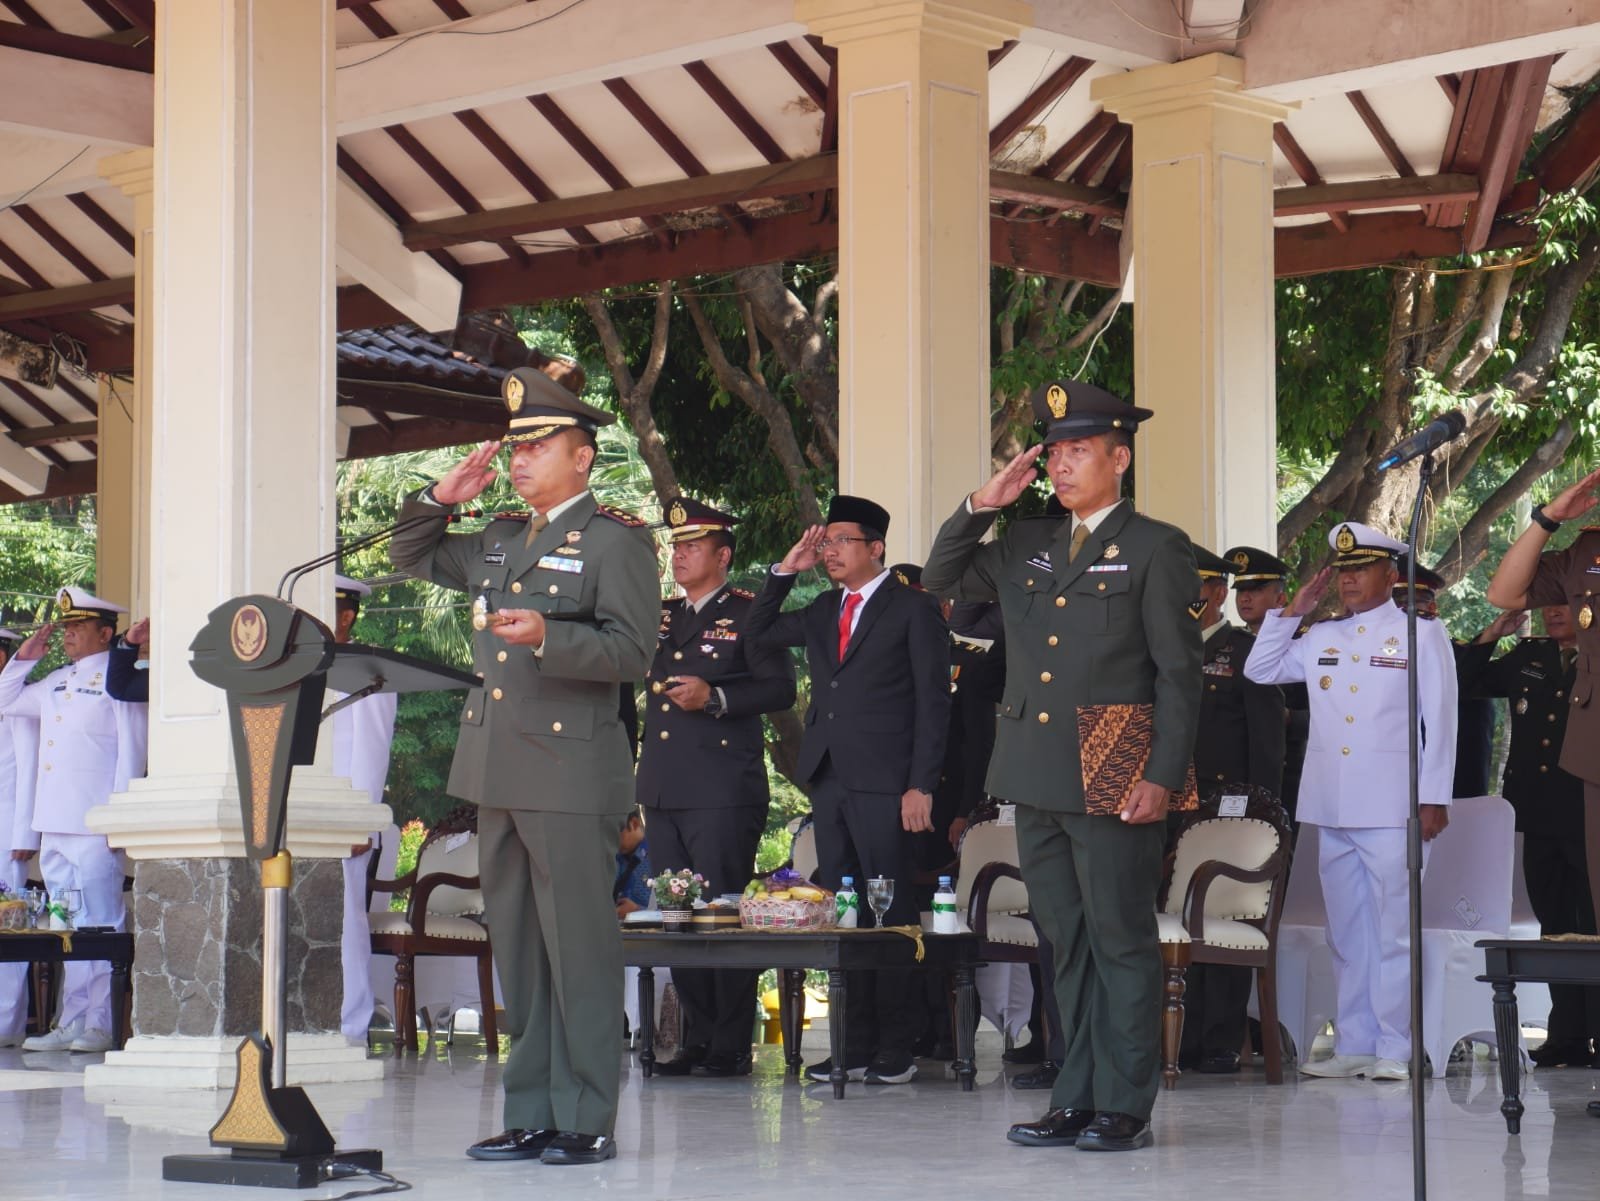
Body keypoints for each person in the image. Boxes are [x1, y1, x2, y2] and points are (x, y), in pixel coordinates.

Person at [923, 379, 1202, 1153]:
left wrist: (1161, 772)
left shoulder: (1157, 546)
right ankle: (1075, 1094)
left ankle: (1125, 1101)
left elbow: (1178, 674)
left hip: (1117, 761)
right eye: (1054, 453)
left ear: (1121, 456)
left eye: (1079, 450)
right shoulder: (1025, 542)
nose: (1062, 465)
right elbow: (939, 576)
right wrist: (986, 500)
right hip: (1035, 767)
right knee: (1064, 941)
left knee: (1119, 936)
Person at [389, 367, 658, 1166]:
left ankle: (586, 1116)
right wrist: (443, 494)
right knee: (518, 947)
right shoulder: (502, 536)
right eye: (513, 449)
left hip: (572, 773)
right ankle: (532, 1108)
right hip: (498, 769)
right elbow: (414, 555)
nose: (519, 460)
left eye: (537, 446)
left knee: (578, 946)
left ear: (582, 457)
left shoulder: (618, 541)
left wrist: (549, 635)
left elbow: (634, 651)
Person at [745, 494, 950, 1086]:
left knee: (890, 915)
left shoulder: (913, 609)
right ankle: (852, 1043)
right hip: (831, 779)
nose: (830, 551)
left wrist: (921, 786)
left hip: (889, 785)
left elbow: (934, 706)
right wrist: (786, 569)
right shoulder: (821, 609)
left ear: (876, 547)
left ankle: (897, 1045)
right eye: (826, 543)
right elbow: (757, 633)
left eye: (841, 541)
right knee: (845, 912)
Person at [1244, 522, 1456, 1082]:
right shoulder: (1321, 637)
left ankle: (1395, 1047)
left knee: (1393, 930)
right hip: (1331, 805)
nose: (1349, 580)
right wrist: (1292, 612)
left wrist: (1433, 797)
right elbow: (1260, 669)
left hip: (1393, 808)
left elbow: (1442, 722)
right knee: (1347, 931)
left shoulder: (1421, 634)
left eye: (1361, 569)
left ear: (1391, 574)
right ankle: (1356, 1041)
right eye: (1342, 571)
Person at [637, 497, 795, 1078]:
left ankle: (730, 1042)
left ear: (723, 555)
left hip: (723, 786)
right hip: (663, 785)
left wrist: (718, 698)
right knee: (677, 915)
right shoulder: (661, 615)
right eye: (676, 546)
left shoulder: (750, 614)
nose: (680, 556)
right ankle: (696, 1039)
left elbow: (781, 691)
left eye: (693, 546)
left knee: (721, 914)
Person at [1, 589, 147, 1054]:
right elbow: (7, 701)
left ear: (106, 633)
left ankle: (101, 1023)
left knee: (100, 922)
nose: (67, 635)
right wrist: (23, 660)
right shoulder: (58, 680)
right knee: (68, 924)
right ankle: (71, 1019)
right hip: (56, 823)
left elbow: (132, 751)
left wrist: (119, 817)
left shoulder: (121, 679)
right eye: (65, 628)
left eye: (77, 627)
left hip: (93, 822)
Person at [1457, 602, 1600, 1067]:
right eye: (1547, 604)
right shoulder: (1529, 657)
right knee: (1555, 925)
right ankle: (1568, 1036)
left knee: (1595, 926)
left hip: (1589, 810)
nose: (1553, 613)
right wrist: (1491, 634)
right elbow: (1464, 684)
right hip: (1537, 812)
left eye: (1565, 602)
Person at [1179, 547, 1285, 1075]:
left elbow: (1267, 740)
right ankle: (1174, 1035)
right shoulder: (1165, 647)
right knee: (1174, 919)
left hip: (1230, 808)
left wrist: (1263, 812)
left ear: (1218, 593)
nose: (1189, 600)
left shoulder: (1244, 651)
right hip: (1173, 808)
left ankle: (1220, 1037)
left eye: (1198, 589)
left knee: (1223, 913)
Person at [329, 576, 399, 1048]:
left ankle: (351, 1022)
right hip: (295, 815)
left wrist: (360, 819)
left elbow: (372, 752)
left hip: (341, 818)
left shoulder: (367, 669)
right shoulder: (295, 667)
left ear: (347, 615)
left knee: (344, 918)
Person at [1393, 559, 1495, 799]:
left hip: (1446, 797)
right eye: (1391, 607)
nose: (1399, 615)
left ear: (1431, 609)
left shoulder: (1462, 659)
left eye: (1409, 606)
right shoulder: (1363, 658)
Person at [1226, 546, 1309, 823]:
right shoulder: (1229, 646)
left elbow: (1333, 710)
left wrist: (1289, 719)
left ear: (1281, 597)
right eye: (1241, 590)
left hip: (1294, 770)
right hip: (1238, 770)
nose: (1245, 598)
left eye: (1257, 589)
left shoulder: (1306, 644)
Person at [0, 628, 36, 1048]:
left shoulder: (18, 703)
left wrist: (25, 831)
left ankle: (6, 1025)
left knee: (8, 929)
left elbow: (29, 769)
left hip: (6, 831)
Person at [613, 810, 651, 918]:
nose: (612, 841)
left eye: (617, 834)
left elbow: (676, 910)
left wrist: (637, 911)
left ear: (634, 823)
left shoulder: (660, 857)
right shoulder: (611, 859)